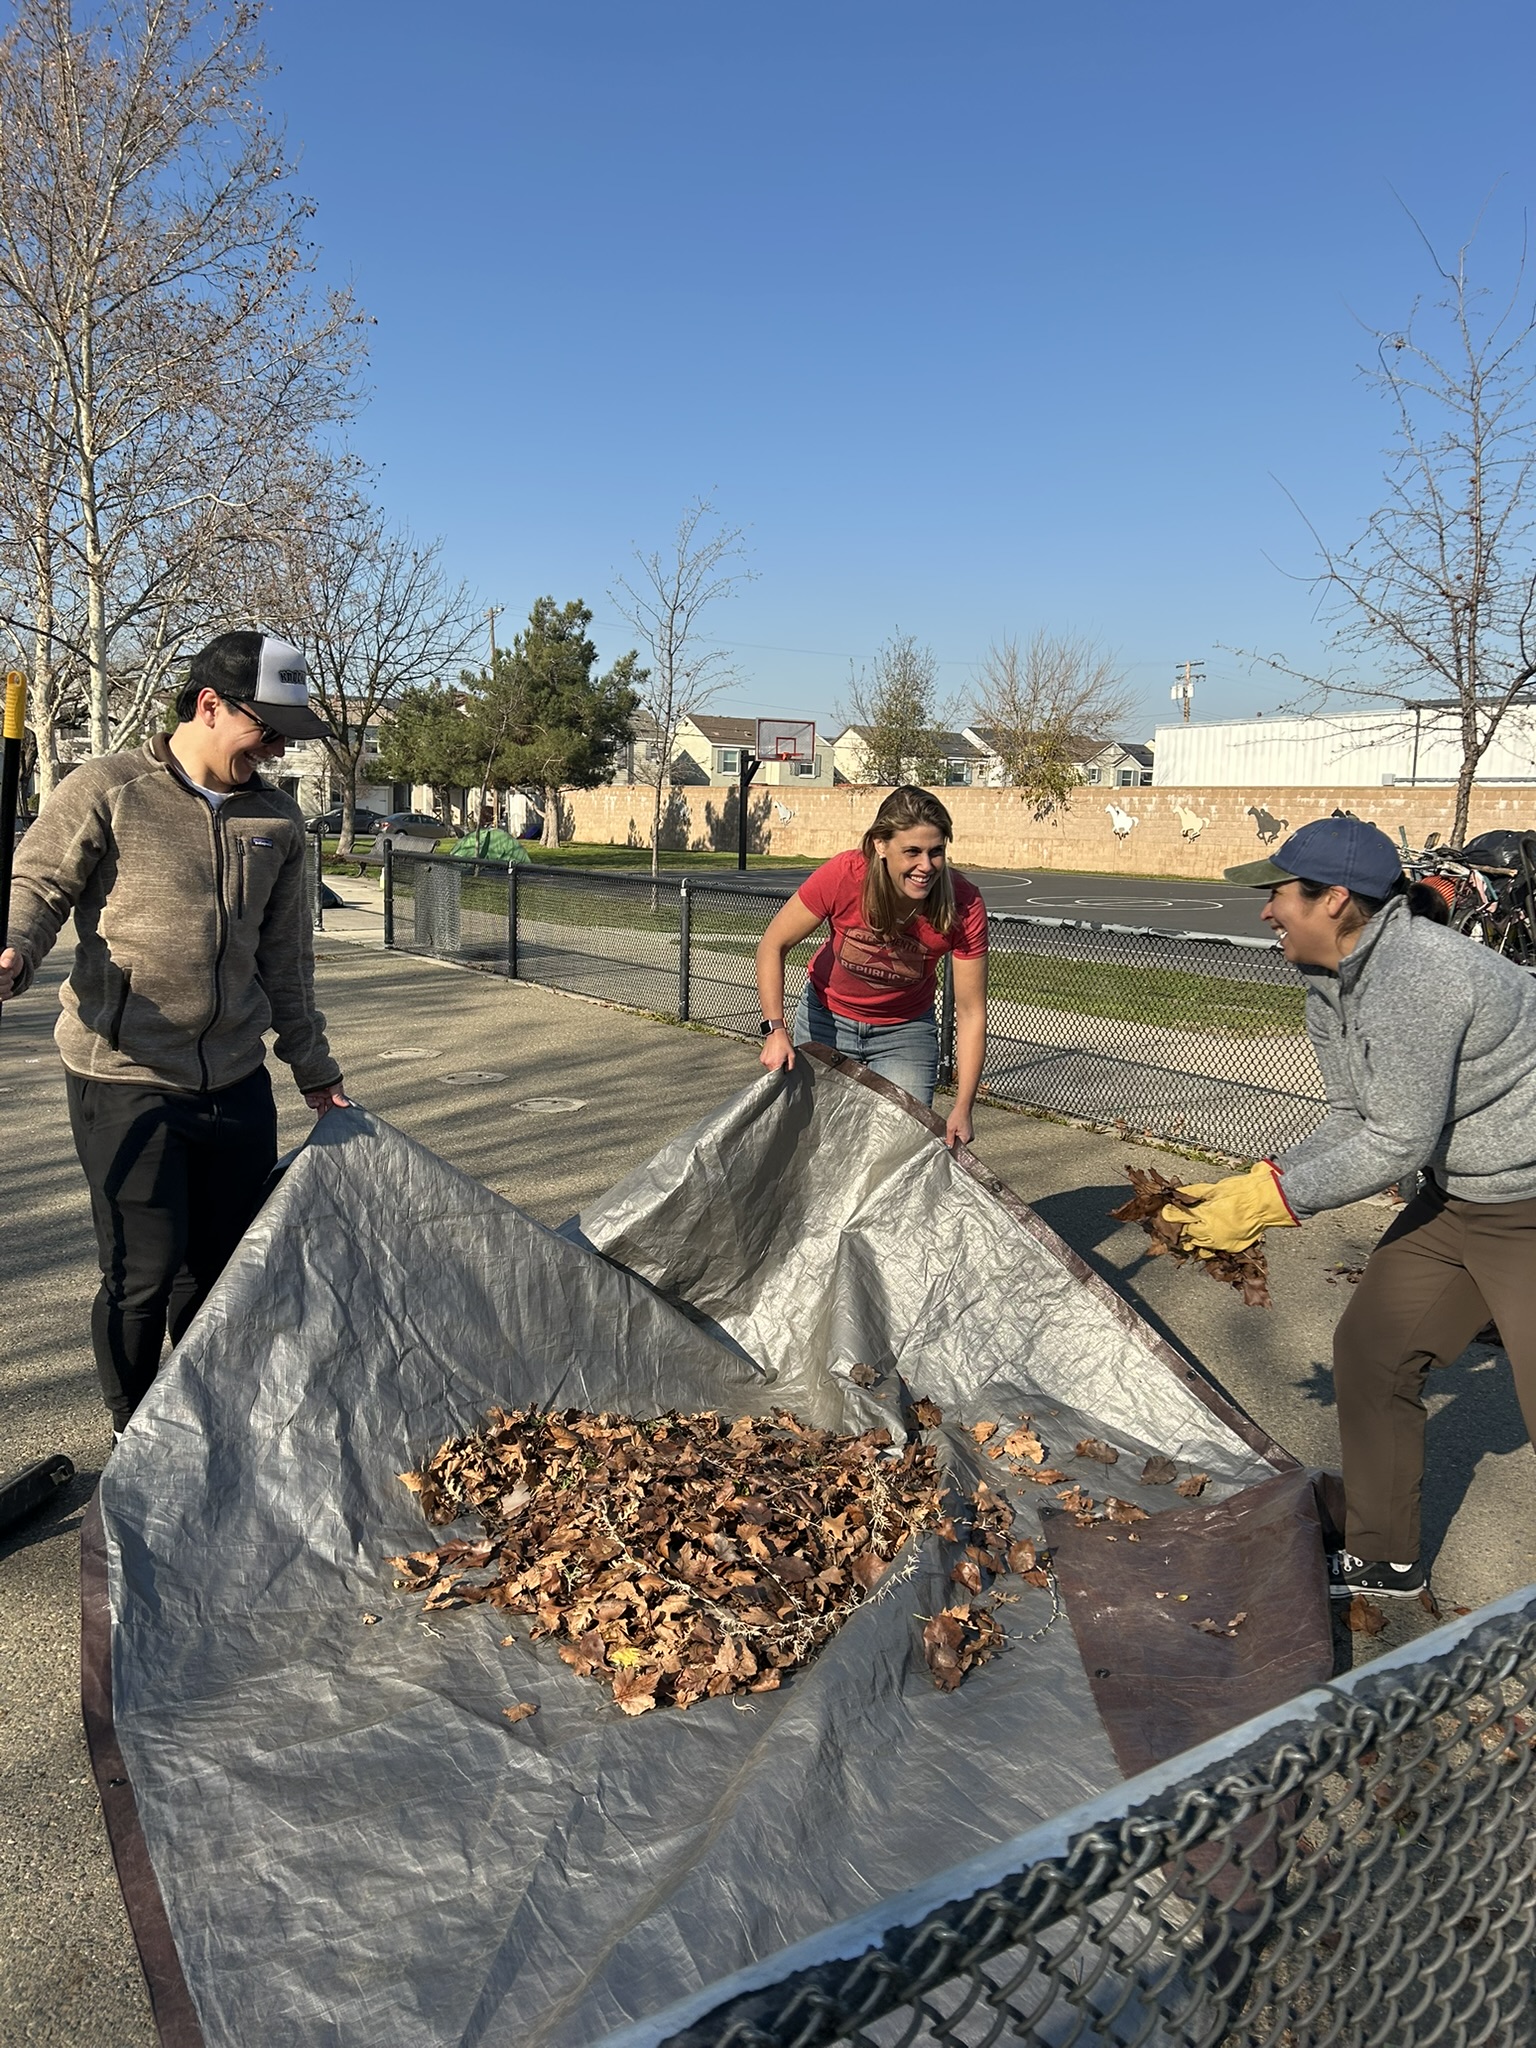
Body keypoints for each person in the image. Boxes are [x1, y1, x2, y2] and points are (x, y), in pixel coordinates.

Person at [1161, 816, 1536, 1599]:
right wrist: (1253, 1182)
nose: (1266, 911)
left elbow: (1395, 1142)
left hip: (1529, 1202)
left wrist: (1271, 1203)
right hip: (1458, 1196)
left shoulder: (1420, 975)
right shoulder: (1329, 979)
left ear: (1334, 899)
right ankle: (1385, 1557)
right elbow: (1350, 1118)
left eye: (1278, 895)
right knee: (1373, 1353)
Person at [0, 631, 349, 1438]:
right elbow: (40, 884)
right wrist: (15, 950)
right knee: (141, 1275)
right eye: (265, 729)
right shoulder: (110, 788)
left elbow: (286, 962)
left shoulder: (277, 818)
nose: (275, 749)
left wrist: (313, 1068)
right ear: (209, 705)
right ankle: (133, 1435)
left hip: (234, 1081)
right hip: (124, 1079)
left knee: (220, 1275)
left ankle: (195, 1427)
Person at [755, 784, 987, 1148]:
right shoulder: (845, 875)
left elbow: (971, 1011)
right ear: (881, 844)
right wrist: (775, 1030)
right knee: (816, 1140)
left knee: (898, 1145)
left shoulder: (964, 904)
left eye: (936, 852)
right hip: (826, 1020)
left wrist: (963, 1105)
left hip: (904, 1033)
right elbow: (773, 944)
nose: (926, 867)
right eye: (912, 851)